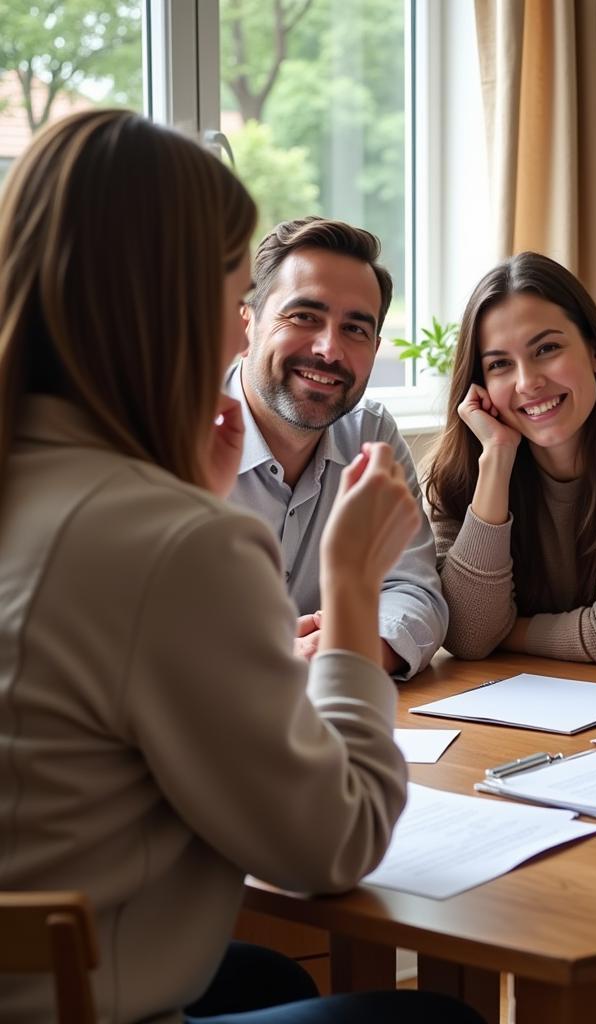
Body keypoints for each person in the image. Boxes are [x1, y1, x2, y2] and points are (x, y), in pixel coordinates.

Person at [0, 109, 483, 1024]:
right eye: (234, 301)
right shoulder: (169, 538)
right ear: (177, 304)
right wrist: (347, 593)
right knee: (431, 1018)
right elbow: (334, 845)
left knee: (266, 981)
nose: (234, 339)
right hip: (74, 1002)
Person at [426, 252, 596, 665]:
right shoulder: (465, 467)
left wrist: (505, 629)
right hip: (507, 703)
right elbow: (467, 635)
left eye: (547, 348)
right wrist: (497, 459)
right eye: (500, 364)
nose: (528, 382)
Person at [227, 217, 447, 678]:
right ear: (246, 322)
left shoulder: (371, 435)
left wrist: (351, 647)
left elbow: (415, 590)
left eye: (355, 330)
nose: (329, 350)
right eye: (304, 316)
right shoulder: (168, 434)